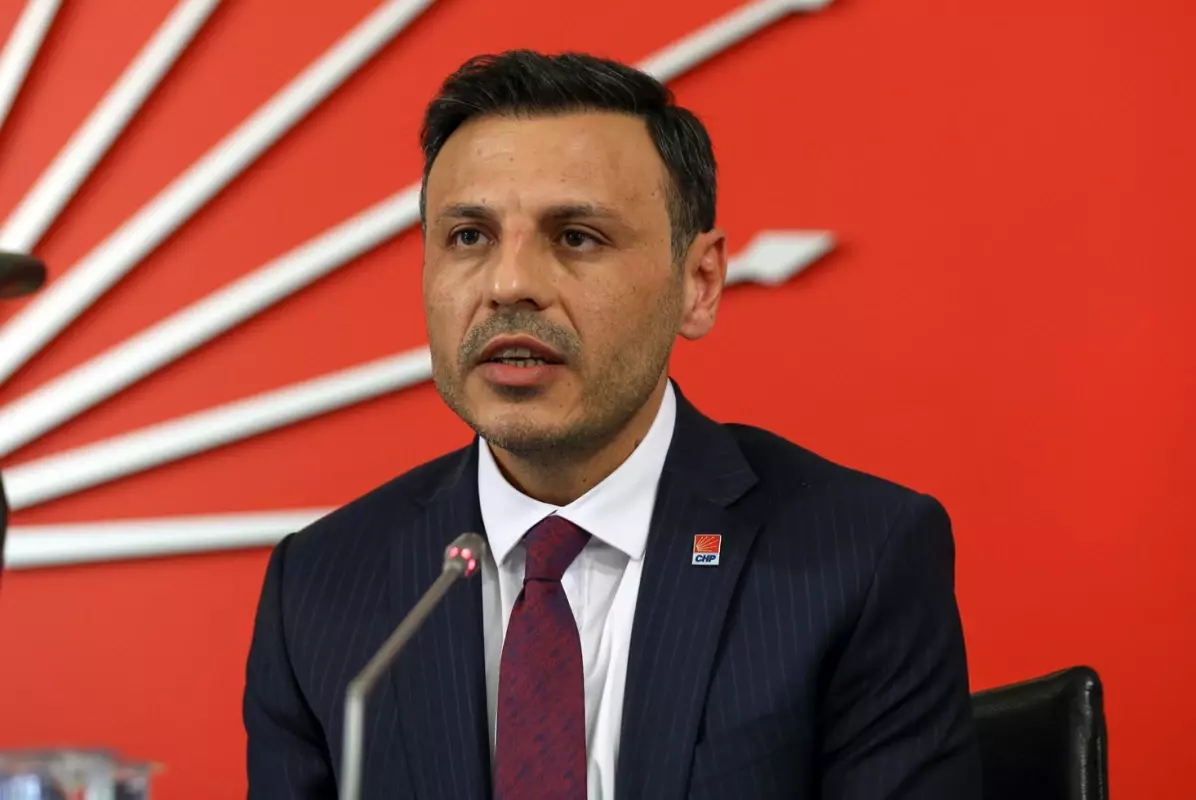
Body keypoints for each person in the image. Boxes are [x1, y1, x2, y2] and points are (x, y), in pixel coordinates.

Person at [243, 50, 981, 799]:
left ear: (699, 283)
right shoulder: (322, 588)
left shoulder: (855, 559)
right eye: (469, 236)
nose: (510, 284)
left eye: (577, 237)